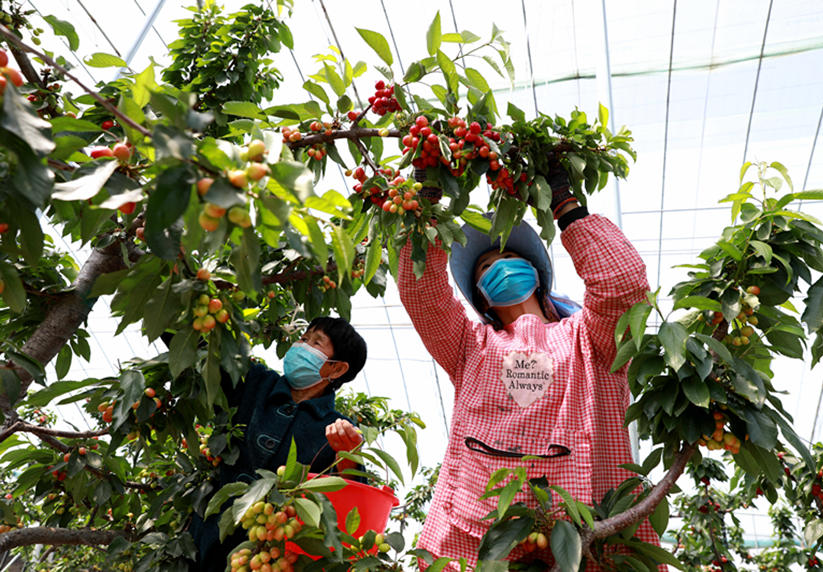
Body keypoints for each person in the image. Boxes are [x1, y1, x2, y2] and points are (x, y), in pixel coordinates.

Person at [398, 170, 664, 570]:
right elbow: (424, 293)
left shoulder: (591, 340)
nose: (501, 267)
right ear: (482, 299)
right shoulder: (469, 345)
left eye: (511, 259)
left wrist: (565, 204)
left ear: (538, 276)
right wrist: (428, 205)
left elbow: (623, 285)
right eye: (488, 265)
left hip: (590, 530)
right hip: (479, 530)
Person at [189, 316, 367, 571]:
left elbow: (355, 508)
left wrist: (348, 455)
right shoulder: (256, 382)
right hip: (203, 540)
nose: (301, 345)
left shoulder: (338, 428)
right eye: (303, 338)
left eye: (316, 343)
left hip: (266, 555)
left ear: (337, 369)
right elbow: (202, 352)